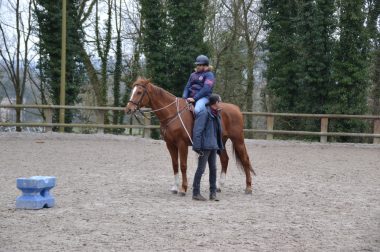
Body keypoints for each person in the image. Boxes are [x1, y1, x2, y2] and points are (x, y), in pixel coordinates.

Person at [192, 94, 224, 201]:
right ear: (215, 103)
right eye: (220, 101)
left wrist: (219, 145)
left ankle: (213, 193)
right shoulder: (204, 113)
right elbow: (197, 131)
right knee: (201, 169)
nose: (221, 103)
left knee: (213, 169)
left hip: (213, 146)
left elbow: (217, 131)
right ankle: (196, 193)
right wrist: (197, 147)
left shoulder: (216, 114)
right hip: (205, 147)